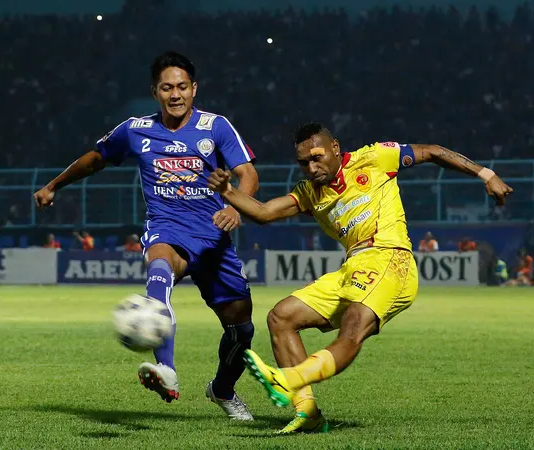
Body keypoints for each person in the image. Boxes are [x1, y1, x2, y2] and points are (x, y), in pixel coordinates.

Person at [206, 122, 512, 433]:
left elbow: (432, 152)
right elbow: (264, 212)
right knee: (282, 317)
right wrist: (227, 191)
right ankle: (307, 412)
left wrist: (485, 174)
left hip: (391, 258)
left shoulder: (375, 158)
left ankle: (291, 378)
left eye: (317, 157)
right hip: (352, 266)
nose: (311, 167)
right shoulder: (310, 193)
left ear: (335, 148)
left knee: (353, 326)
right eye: (303, 163)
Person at [34, 51, 260, 420]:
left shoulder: (216, 126)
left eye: (182, 87)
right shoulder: (135, 129)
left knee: (241, 331)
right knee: (160, 268)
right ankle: (166, 369)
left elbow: (248, 174)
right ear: (155, 92)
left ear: (194, 89)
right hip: (167, 228)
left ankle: (222, 390)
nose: (176, 95)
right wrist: (55, 185)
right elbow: (95, 158)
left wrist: (237, 207)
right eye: (167, 88)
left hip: (215, 238)